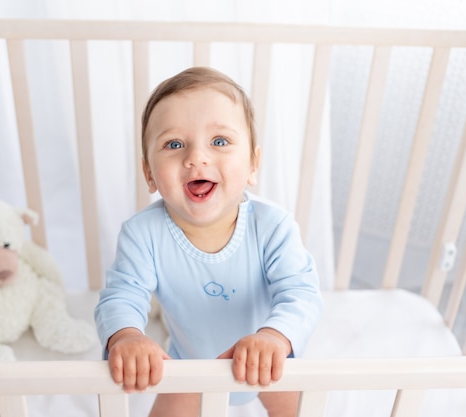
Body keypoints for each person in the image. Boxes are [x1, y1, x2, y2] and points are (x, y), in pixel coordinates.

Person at [94, 66, 322, 417]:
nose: (196, 158)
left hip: (268, 362)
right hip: (189, 365)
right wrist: (126, 336)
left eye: (219, 142)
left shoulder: (272, 226)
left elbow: (302, 293)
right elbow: (122, 295)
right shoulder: (142, 234)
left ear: (252, 164)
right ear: (149, 174)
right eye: (174, 144)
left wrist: (275, 337)